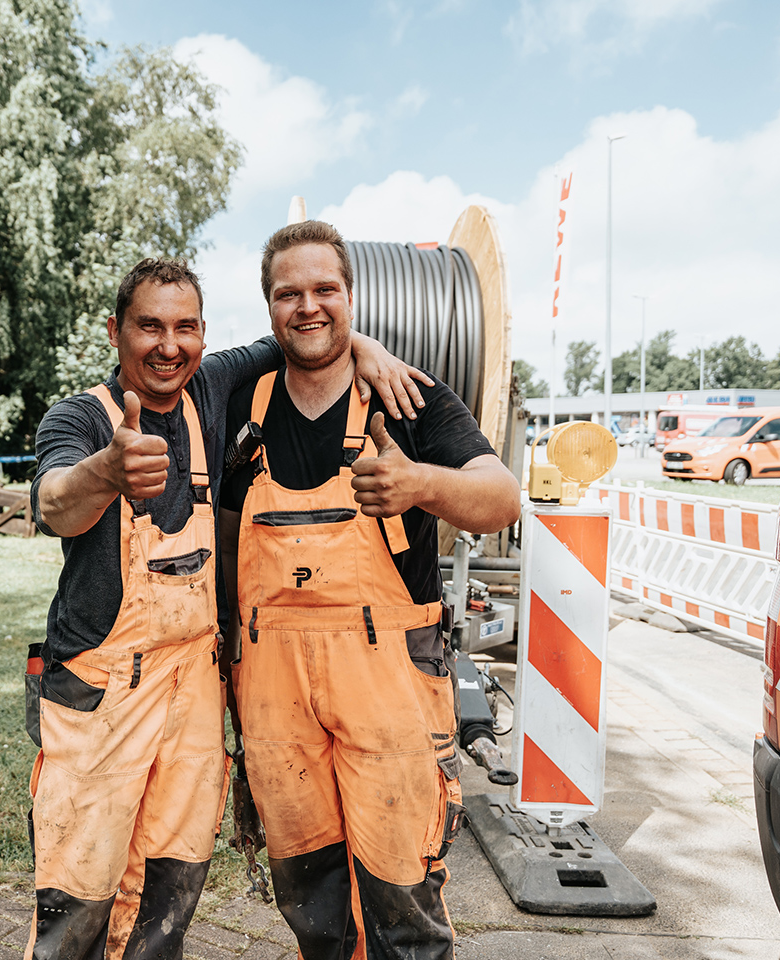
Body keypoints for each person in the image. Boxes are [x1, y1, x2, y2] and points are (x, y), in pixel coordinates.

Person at [25, 257, 427, 960]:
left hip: (193, 696)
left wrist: (367, 348)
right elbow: (56, 502)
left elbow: (301, 332)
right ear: (115, 331)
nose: (167, 345)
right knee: (81, 901)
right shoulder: (79, 419)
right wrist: (105, 471)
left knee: (166, 895)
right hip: (102, 700)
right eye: (148, 326)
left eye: (185, 328)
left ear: (204, 337)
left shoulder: (208, 390)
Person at [219, 222, 521, 960]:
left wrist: (420, 483)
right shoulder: (242, 407)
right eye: (289, 293)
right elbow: (226, 537)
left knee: (401, 903)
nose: (309, 306)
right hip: (273, 698)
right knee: (312, 902)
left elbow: (502, 496)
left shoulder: (406, 397)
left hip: (388, 693)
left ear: (351, 296)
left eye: (325, 289)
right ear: (269, 309)